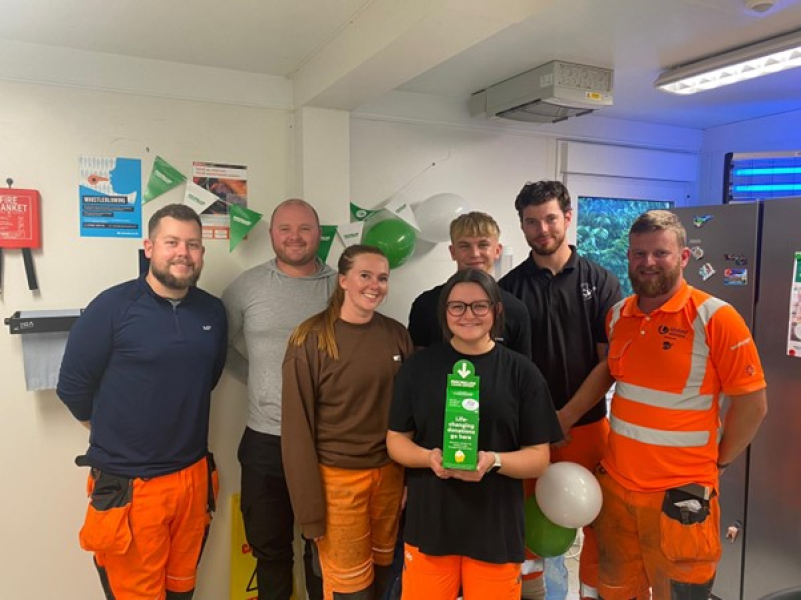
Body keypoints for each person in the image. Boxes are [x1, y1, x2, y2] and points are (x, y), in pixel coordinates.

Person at [57, 203, 227, 599]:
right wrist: (114, 434)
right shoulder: (113, 307)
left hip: (192, 479)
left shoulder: (212, 312)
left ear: (202, 252)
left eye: (193, 244)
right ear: (149, 247)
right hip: (131, 489)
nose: (182, 252)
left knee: (182, 591)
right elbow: (72, 387)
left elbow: (208, 378)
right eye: (172, 242)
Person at [595, 210, 768, 599]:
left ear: (684, 257)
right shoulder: (618, 315)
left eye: (661, 253)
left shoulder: (716, 319)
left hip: (681, 499)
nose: (648, 262)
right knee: (617, 592)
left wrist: (717, 462)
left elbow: (753, 405)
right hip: (618, 493)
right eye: (639, 253)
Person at [388, 268, 563, 600]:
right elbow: (396, 440)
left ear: (496, 311)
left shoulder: (521, 372)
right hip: (431, 524)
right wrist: (429, 458)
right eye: (457, 306)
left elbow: (539, 459)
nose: (468, 315)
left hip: (495, 527)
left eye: (479, 306)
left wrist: (492, 461)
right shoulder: (418, 368)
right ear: (445, 312)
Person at [499, 180, 621, 600]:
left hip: (586, 427)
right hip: (528, 435)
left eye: (550, 218)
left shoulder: (601, 281)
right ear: (522, 226)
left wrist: (565, 417)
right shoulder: (508, 289)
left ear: (567, 218)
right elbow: (503, 368)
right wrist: (541, 423)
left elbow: (610, 363)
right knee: (526, 527)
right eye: (531, 222)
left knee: (599, 525)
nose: (542, 229)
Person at [282, 244, 414, 600]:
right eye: (365, 276)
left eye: (382, 278)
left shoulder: (397, 335)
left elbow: (412, 414)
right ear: (343, 280)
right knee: (351, 590)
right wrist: (309, 512)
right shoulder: (309, 339)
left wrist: (410, 481)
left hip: (389, 478)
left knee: (385, 580)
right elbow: (296, 433)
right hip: (337, 485)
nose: (375, 285)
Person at [222, 198, 335, 600]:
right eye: (285, 228)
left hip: (328, 443)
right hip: (264, 442)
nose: (295, 237)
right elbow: (220, 345)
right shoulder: (247, 287)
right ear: (271, 234)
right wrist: (261, 378)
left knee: (323, 552)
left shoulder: (341, 287)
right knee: (270, 552)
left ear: (319, 234)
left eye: (305, 228)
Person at [408, 211, 531, 357]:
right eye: (464, 246)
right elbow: (416, 367)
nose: (475, 253)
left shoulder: (515, 311)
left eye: (483, 245)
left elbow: (520, 373)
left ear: (497, 251)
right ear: (453, 252)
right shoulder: (425, 305)